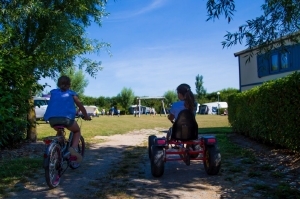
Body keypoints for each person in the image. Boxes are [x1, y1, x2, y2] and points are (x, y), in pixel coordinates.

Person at [44, 76, 91, 168]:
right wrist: (86, 116)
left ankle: (57, 150)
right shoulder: (71, 94)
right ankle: (72, 149)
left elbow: (55, 102)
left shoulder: (53, 92)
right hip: (66, 119)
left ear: (58, 84)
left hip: (52, 119)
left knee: (59, 132)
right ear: (69, 85)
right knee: (76, 131)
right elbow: (80, 106)